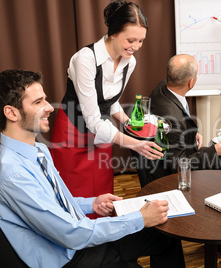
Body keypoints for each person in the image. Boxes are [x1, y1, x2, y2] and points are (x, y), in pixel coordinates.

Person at [0, 69, 185, 268]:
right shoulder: (12, 175)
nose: (49, 107)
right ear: (11, 112)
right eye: (38, 102)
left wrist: (91, 204)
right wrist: (140, 218)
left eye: (45, 99)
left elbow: (54, 203)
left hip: (77, 242)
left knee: (166, 236)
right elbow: (71, 234)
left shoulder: (38, 149)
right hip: (68, 257)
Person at [49, 0, 162, 211]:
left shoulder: (131, 61)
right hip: (73, 132)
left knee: (101, 191)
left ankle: (103, 238)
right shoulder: (85, 59)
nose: (136, 47)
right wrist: (133, 143)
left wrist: (130, 124)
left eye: (141, 41)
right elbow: (92, 117)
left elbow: (109, 101)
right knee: (74, 194)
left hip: (102, 132)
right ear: (113, 33)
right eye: (131, 40)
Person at [143, 54, 221, 185]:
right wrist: (215, 150)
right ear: (191, 82)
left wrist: (191, 133)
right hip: (170, 176)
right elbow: (177, 165)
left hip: (168, 154)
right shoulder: (174, 120)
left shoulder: (161, 88)